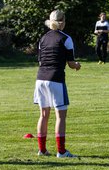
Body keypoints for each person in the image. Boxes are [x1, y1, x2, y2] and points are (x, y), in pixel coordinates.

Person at [34, 10, 81, 158]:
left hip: (40, 79)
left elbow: (41, 61)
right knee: (60, 116)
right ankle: (61, 151)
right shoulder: (65, 39)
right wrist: (77, 65)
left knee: (43, 115)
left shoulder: (43, 38)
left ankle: (42, 150)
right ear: (63, 22)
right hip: (56, 78)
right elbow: (71, 63)